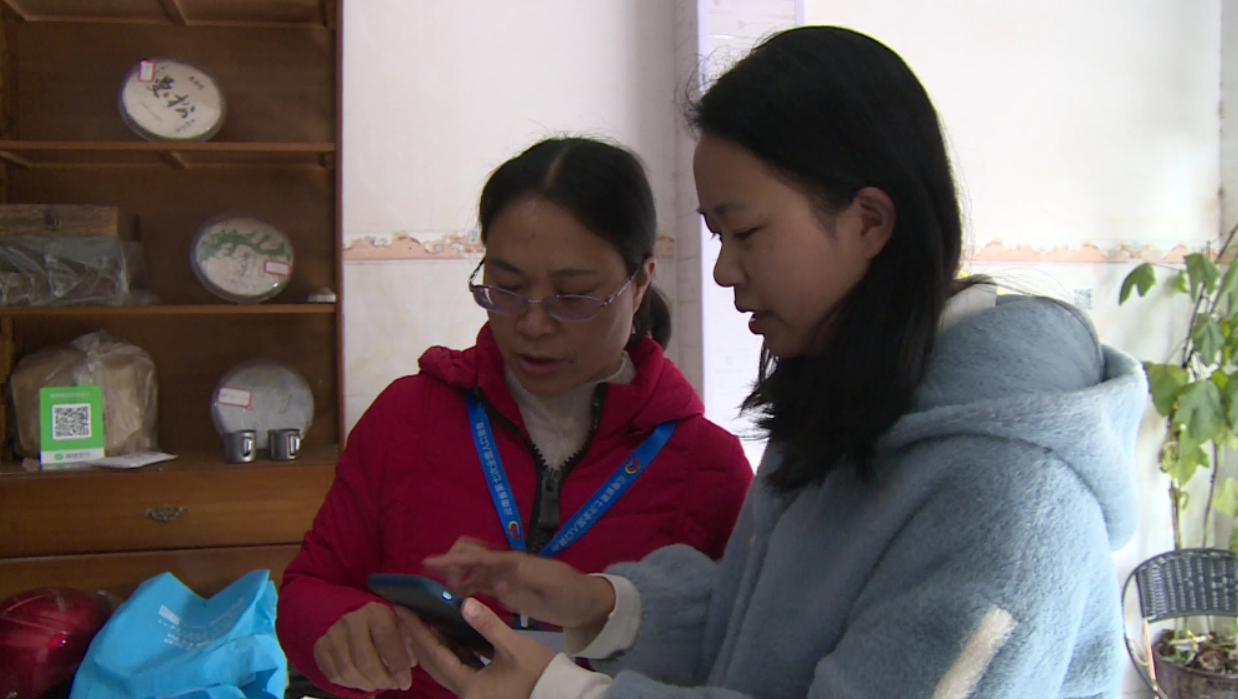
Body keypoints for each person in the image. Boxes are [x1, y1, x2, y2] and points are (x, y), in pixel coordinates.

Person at [402, 26, 1148, 699]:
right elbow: (757, 627)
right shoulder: (846, 397)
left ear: (868, 221)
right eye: (715, 234)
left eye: (746, 232)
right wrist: (600, 605)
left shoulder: (1009, 495)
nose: (723, 270)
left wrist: (564, 694)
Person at [276, 136, 754, 698]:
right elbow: (309, 587)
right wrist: (337, 627)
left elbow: (740, 655)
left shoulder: (706, 465)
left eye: (573, 296)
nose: (532, 325)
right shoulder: (408, 417)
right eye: (506, 288)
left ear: (640, 282)